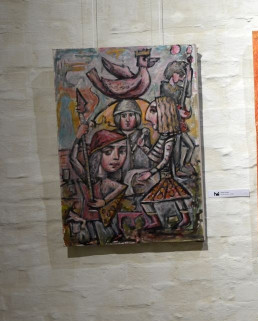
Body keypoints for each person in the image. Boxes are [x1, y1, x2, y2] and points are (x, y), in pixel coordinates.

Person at [137, 96, 192, 230]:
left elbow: (164, 161)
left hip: (167, 178)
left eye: (154, 111)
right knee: (176, 198)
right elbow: (154, 157)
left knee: (148, 201)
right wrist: (143, 147)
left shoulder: (169, 139)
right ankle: (183, 219)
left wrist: (150, 173)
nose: (152, 125)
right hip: (163, 178)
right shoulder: (163, 137)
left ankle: (180, 219)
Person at [68, 128, 128, 244]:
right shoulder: (89, 178)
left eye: (121, 151)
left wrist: (104, 202)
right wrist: (78, 137)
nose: (116, 157)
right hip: (89, 221)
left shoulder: (106, 181)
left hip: (102, 221)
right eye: (108, 152)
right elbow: (73, 159)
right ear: (97, 155)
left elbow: (121, 187)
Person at [160, 60, 196, 176]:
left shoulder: (179, 89)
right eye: (179, 75)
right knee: (175, 147)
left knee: (190, 145)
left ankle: (185, 164)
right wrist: (177, 111)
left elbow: (188, 93)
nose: (181, 78)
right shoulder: (164, 87)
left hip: (179, 123)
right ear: (172, 73)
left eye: (182, 76)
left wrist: (189, 79)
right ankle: (177, 169)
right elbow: (164, 105)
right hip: (170, 123)